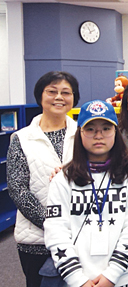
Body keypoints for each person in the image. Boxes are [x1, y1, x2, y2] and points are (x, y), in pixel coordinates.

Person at [44, 100, 128, 287]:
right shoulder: (63, 179)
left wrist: (111, 276)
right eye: (90, 129)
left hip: (120, 278)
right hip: (76, 279)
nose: (99, 135)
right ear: (80, 133)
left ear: (116, 132)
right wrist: (78, 280)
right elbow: (56, 231)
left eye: (106, 128)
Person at [7, 71, 80, 287]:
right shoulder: (20, 138)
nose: (59, 97)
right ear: (40, 95)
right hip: (35, 239)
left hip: (79, 234)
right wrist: (51, 224)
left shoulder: (84, 133)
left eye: (66, 92)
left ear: (74, 98)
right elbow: (18, 189)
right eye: (52, 91)